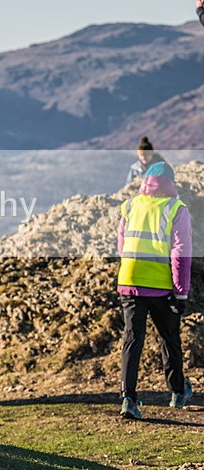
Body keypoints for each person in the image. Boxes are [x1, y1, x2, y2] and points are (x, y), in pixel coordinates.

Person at [117, 161, 193, 419]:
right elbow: (181, 254)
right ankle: (177, 392)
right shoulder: (176, 209)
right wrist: (181, 292)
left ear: (145, 181)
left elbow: (122, 246)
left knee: (132, 339)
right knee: (169, 337)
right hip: (161, 286)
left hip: (129, 282)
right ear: (171, 183)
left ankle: (128, 399)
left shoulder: (130, 205)